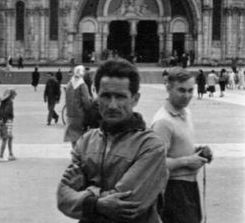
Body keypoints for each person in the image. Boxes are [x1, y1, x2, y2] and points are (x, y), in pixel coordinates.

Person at [58, 59, 168, 223]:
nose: (112, 105)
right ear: (95, 94)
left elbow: (127, 204)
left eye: (121, 97)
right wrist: (100, 203)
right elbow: (62, 197)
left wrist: (86, 195)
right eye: (106, 96)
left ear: (135, 98)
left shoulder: (151, 146)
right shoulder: (87, 141)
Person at [151, 67, 213, 223]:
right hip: (173, 189)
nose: (187, 96)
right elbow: (154, 164)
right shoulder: (163, 122)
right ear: (168, 88)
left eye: (190, 90)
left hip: (190, 186)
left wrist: (198, 152)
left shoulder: (186, 113)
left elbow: (179, 147)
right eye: (181, 90)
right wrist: (187, 161)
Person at [63, 65, 92, 147]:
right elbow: (86, 101)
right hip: (80, 115)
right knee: (81, 137)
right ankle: (79, 155)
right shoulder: (82, 85)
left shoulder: (69, 84)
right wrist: (89, 109)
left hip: (69, 115)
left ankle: (74, 154)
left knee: (73, 137)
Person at [0, 89, 17, 162]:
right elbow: (7, 112)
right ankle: (1, 156)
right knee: (5, 139)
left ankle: (11, 154)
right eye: (14, 94)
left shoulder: (3, 102)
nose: (15, 95)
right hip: (7, 121)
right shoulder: (9, 102)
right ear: (11, 95)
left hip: (3, 121)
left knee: (10, 137)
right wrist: (4, 121)